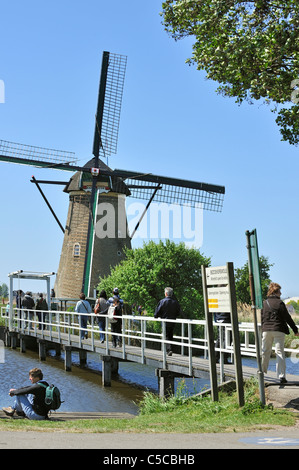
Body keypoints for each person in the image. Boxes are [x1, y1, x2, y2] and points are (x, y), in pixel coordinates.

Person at [261, 282, 299, 384]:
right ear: (276, 292)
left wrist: (263, 328)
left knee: (265, 351)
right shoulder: (280, 303)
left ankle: (262, 372)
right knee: (280, 353)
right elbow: (288, 318)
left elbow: (262, 317)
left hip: (266, 330)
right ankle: (282, 376)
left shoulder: (264, 303)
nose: (281, 293)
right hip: (278, 330)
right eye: (280, 291)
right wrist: (295, 330)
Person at [154, 287, 182, 356]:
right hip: (172, 321)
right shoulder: (175, 302)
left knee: (166, 335)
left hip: (164, 322)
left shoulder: (162, 301)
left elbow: (156, 313)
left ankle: (169, 350)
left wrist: (157, 316)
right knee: (170, 335)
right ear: (171, 294)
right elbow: (178, 312)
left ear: (166, 293)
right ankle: (170, 349)